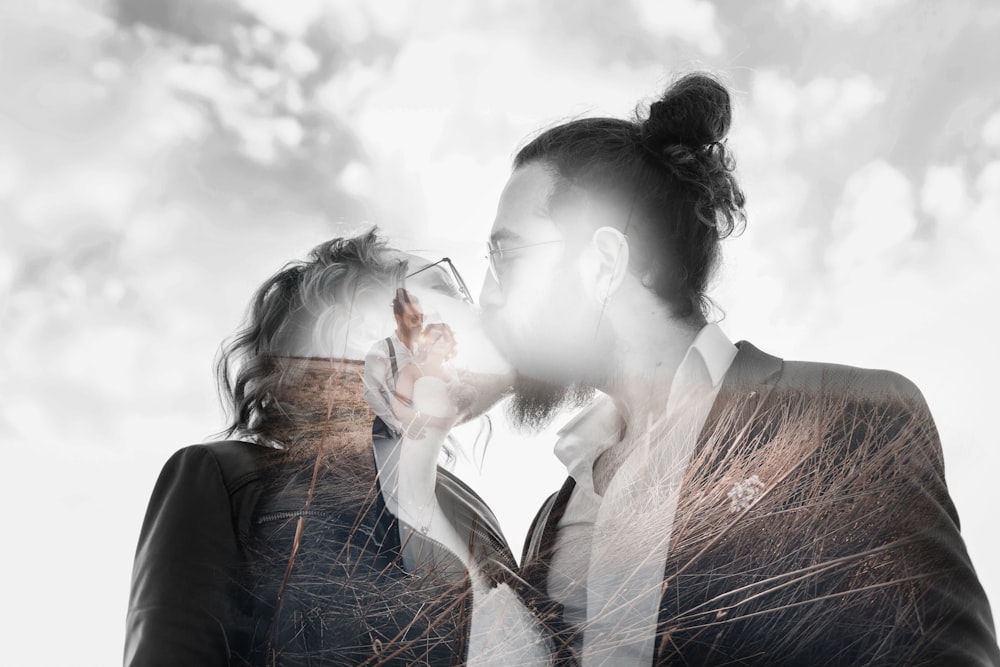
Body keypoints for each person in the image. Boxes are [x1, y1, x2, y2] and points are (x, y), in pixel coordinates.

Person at [479, 72, 1000, 665]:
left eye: (507, 256)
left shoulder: (847, 423)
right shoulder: (554, 515)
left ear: (602, 262)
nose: (488, 297)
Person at [125, 230, 535, 665]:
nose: (474, 310)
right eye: (441, 288)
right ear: (359, 324)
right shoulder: (229, 481)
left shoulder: (471, 511)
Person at [364, 288, 424, 439]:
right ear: (398, 319)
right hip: (389, 432)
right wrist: (398, 426)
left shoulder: (423, 351)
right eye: (414, 319)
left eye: (422, 318)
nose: (420, 324)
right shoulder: (381, 349)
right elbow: (371, 392)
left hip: (419, 427)